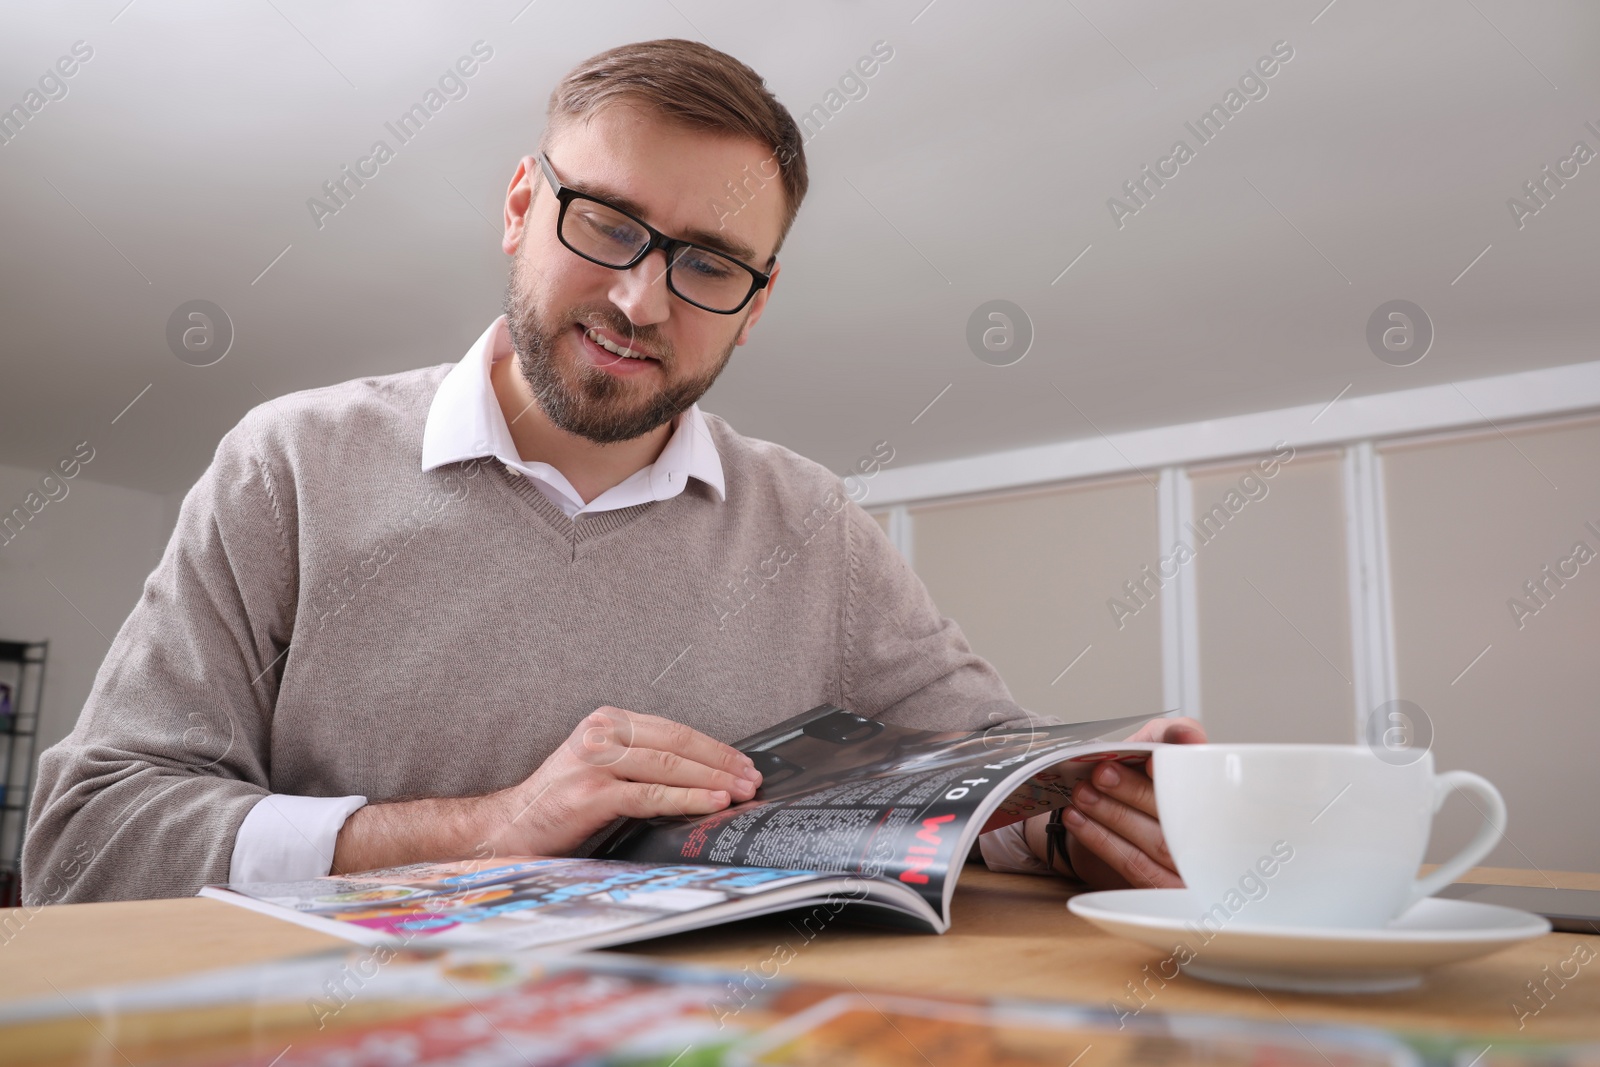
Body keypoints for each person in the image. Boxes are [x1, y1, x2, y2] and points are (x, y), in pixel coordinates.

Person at [22, 39, 1203, 905]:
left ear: (758, 303)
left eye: (709, 264)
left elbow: (981, 784)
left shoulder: (810, 522)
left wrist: (1081, 816)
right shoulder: (289, 463)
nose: (641, 300)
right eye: (607, 224)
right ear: (523, 205)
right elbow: (86, 840)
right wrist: (498, 826)